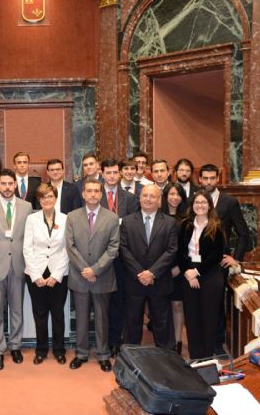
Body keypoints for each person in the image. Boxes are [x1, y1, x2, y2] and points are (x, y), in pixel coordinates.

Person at [0, 168, 33, 371]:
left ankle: (15, 346)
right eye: (3, 184)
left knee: (17, 309)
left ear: (15, 185)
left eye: (11, 184)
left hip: (19, 264)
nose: (7, 188)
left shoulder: (27, 206)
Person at [66, 179, 119, 372]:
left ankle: (103, 354)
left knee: (102, 318)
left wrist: (95, 269)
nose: (93, 194)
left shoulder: (111, 218)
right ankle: (81, 353)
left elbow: (113, 248)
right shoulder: (71, 217)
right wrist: (85, 270)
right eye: (89, 191)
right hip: (80, 276)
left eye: (97, 191)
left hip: (102, 276)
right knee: (80, 317)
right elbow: (70, 247)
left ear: (102, 194)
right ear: (83, 194)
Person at [199, 164, 250, 354]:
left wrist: (236, 258)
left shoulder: (229, 202)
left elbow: (244, 234)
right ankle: (201, 345)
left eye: (212, 178)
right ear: (200, 179)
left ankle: (217, 344)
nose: (209, 182)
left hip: (218, 263)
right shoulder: (195, 200)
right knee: (198, 304)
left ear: (218, 178)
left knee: (217, 306)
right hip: (196, 262)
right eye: (205, 178)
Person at [120, 185, 178, 349]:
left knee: (162, 322)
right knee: (132, 322)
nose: (148, 199)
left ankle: (165, 358)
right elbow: (123, 249)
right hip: (134, 280)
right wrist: (140, 273)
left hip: (159, 281)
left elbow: (171, 250)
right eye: (145, 195)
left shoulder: (169, 222)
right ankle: (132, 357)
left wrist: (152, 273)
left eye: (152, 196)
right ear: (139, 198)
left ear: (159, 200)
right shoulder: (128, 221)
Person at [23, 184, 69, 365]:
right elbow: (27, 248)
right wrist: (36, 276)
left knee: (58, 313)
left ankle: (59, 350)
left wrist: (56, 275)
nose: (47, 200)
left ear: (55, 198)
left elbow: (67, 248)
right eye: (43, 197)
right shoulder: (31, 219)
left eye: (50, 196)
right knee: (40, 314)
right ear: (39, 200)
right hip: (36, 272)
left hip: (59, 273)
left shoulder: (66, 219)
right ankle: (41, 350)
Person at [178, 190, 227, 359]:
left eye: (203, 203)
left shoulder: (217, 226)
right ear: (192, 206)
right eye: (196, 202)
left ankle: (206, 358)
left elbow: (217, 256)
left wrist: (197, 272)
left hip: (210, 276)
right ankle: (195, 356)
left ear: (209, 206)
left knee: (208, 318)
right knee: (192, 318)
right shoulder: (185, 225)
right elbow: (180, 252)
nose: (200, 205)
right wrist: (188, 273)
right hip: (188, 274)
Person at [99, 158, 139, 356]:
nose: (112, 176)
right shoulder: (94, 195)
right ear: (102, 174)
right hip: (101, 256)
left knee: (120, 300)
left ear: (120, 174)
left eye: (115, 172)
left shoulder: (130, 199)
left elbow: (133, 228)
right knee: (102, 301)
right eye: (109, 173)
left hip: (123, 257)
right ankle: (102, 341)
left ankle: (117, 340)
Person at [161, 182, 188, 354]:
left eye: (177, 194)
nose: (174, 197)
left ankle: (177, 342)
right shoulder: (158, 216)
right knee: (162, 307)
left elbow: (187, 247)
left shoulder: (187, 219)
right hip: (161, 268)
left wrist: (180, 266)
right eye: (171, 194)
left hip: (179, 268)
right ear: (165, 196)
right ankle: (165, 343)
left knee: (177, 305)